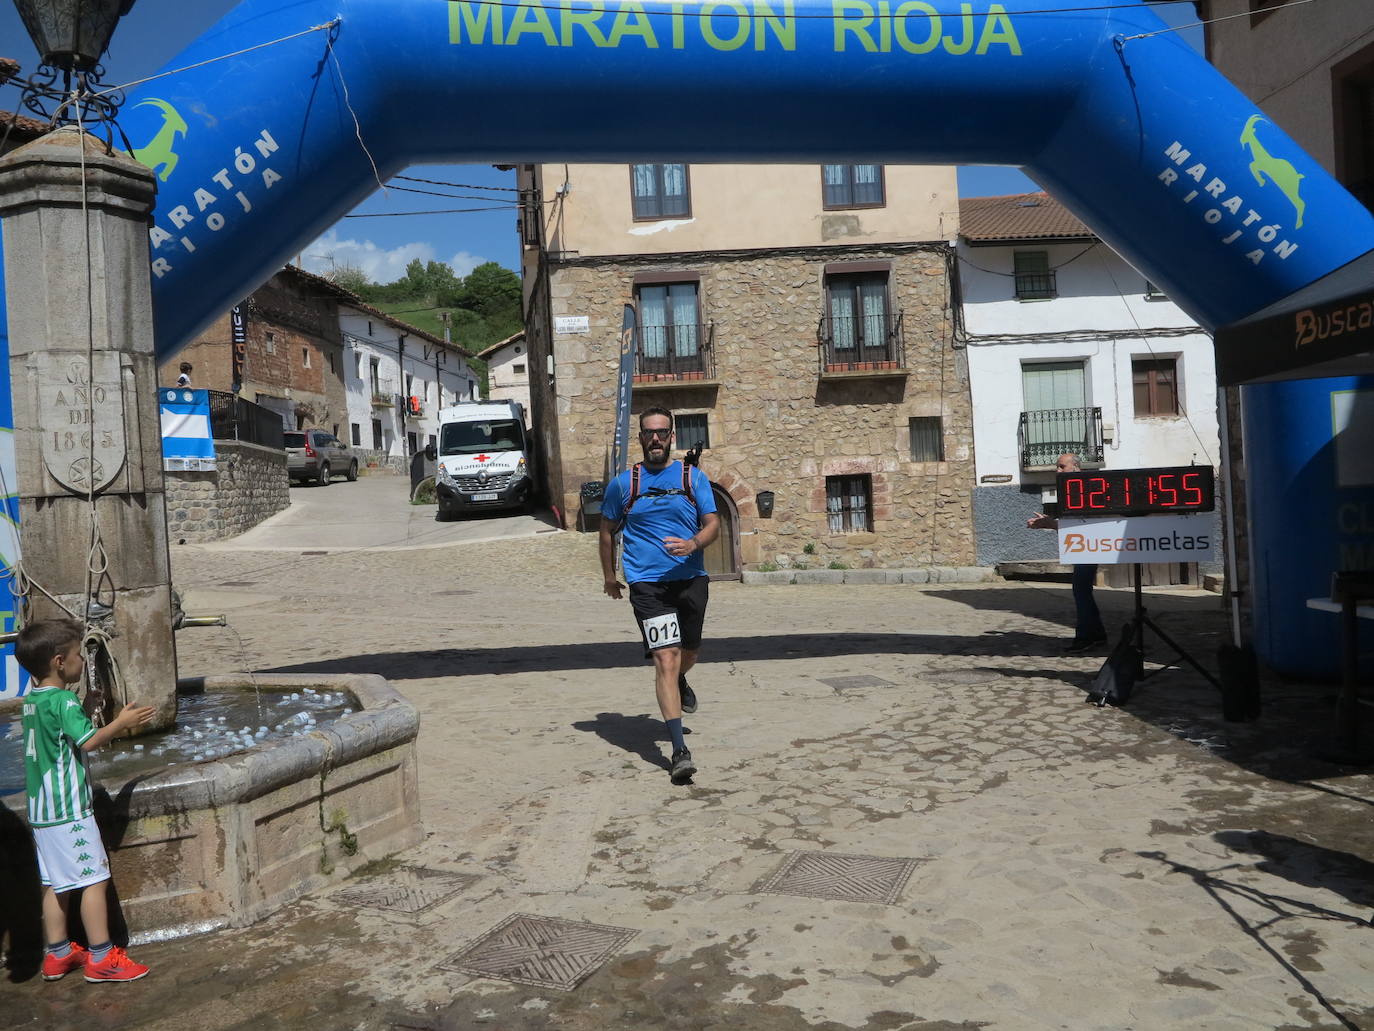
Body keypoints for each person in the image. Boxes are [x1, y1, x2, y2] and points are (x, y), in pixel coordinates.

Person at [18, 618, 156, 984]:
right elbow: (89, 742)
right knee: (94, 881)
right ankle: (101, 958)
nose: (83, 661)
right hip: (69, 810)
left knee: (53, 883)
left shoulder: (33, 700)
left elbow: (57, 730)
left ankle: (58, 954)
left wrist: (84, 703)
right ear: (60, 662)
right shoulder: (63, 700)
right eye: (79, 655)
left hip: (42, 812)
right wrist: (122, 722)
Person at [599, 407, 720, 784]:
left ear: (671, 437)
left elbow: (713, 523)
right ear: (640, 437)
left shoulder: (691, 477)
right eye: (649, 433)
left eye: (662, 433)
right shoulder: (624, 484)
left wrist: (693, 543)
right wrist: (609, 577)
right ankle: (678, 750)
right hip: (647, 584)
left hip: (690, 579)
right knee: (665, 658)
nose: (655, 439)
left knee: (689, 652)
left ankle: (682, 681)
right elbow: (605, 532)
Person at [1027, 452, 1108, 651]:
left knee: (1081, 591)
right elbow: (1072, 522)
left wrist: (1050, 523)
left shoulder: (1085, 489)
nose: (1058, 470)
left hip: (1089, 546)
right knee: (1082, 591)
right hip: (1080, 546)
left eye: (1062, 466)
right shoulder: (1071, 489)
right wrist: (1048, 522)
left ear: (1076, 468)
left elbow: (1083, 523)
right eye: (1057, 466)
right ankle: (1096, 635)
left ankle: (1085, 638)